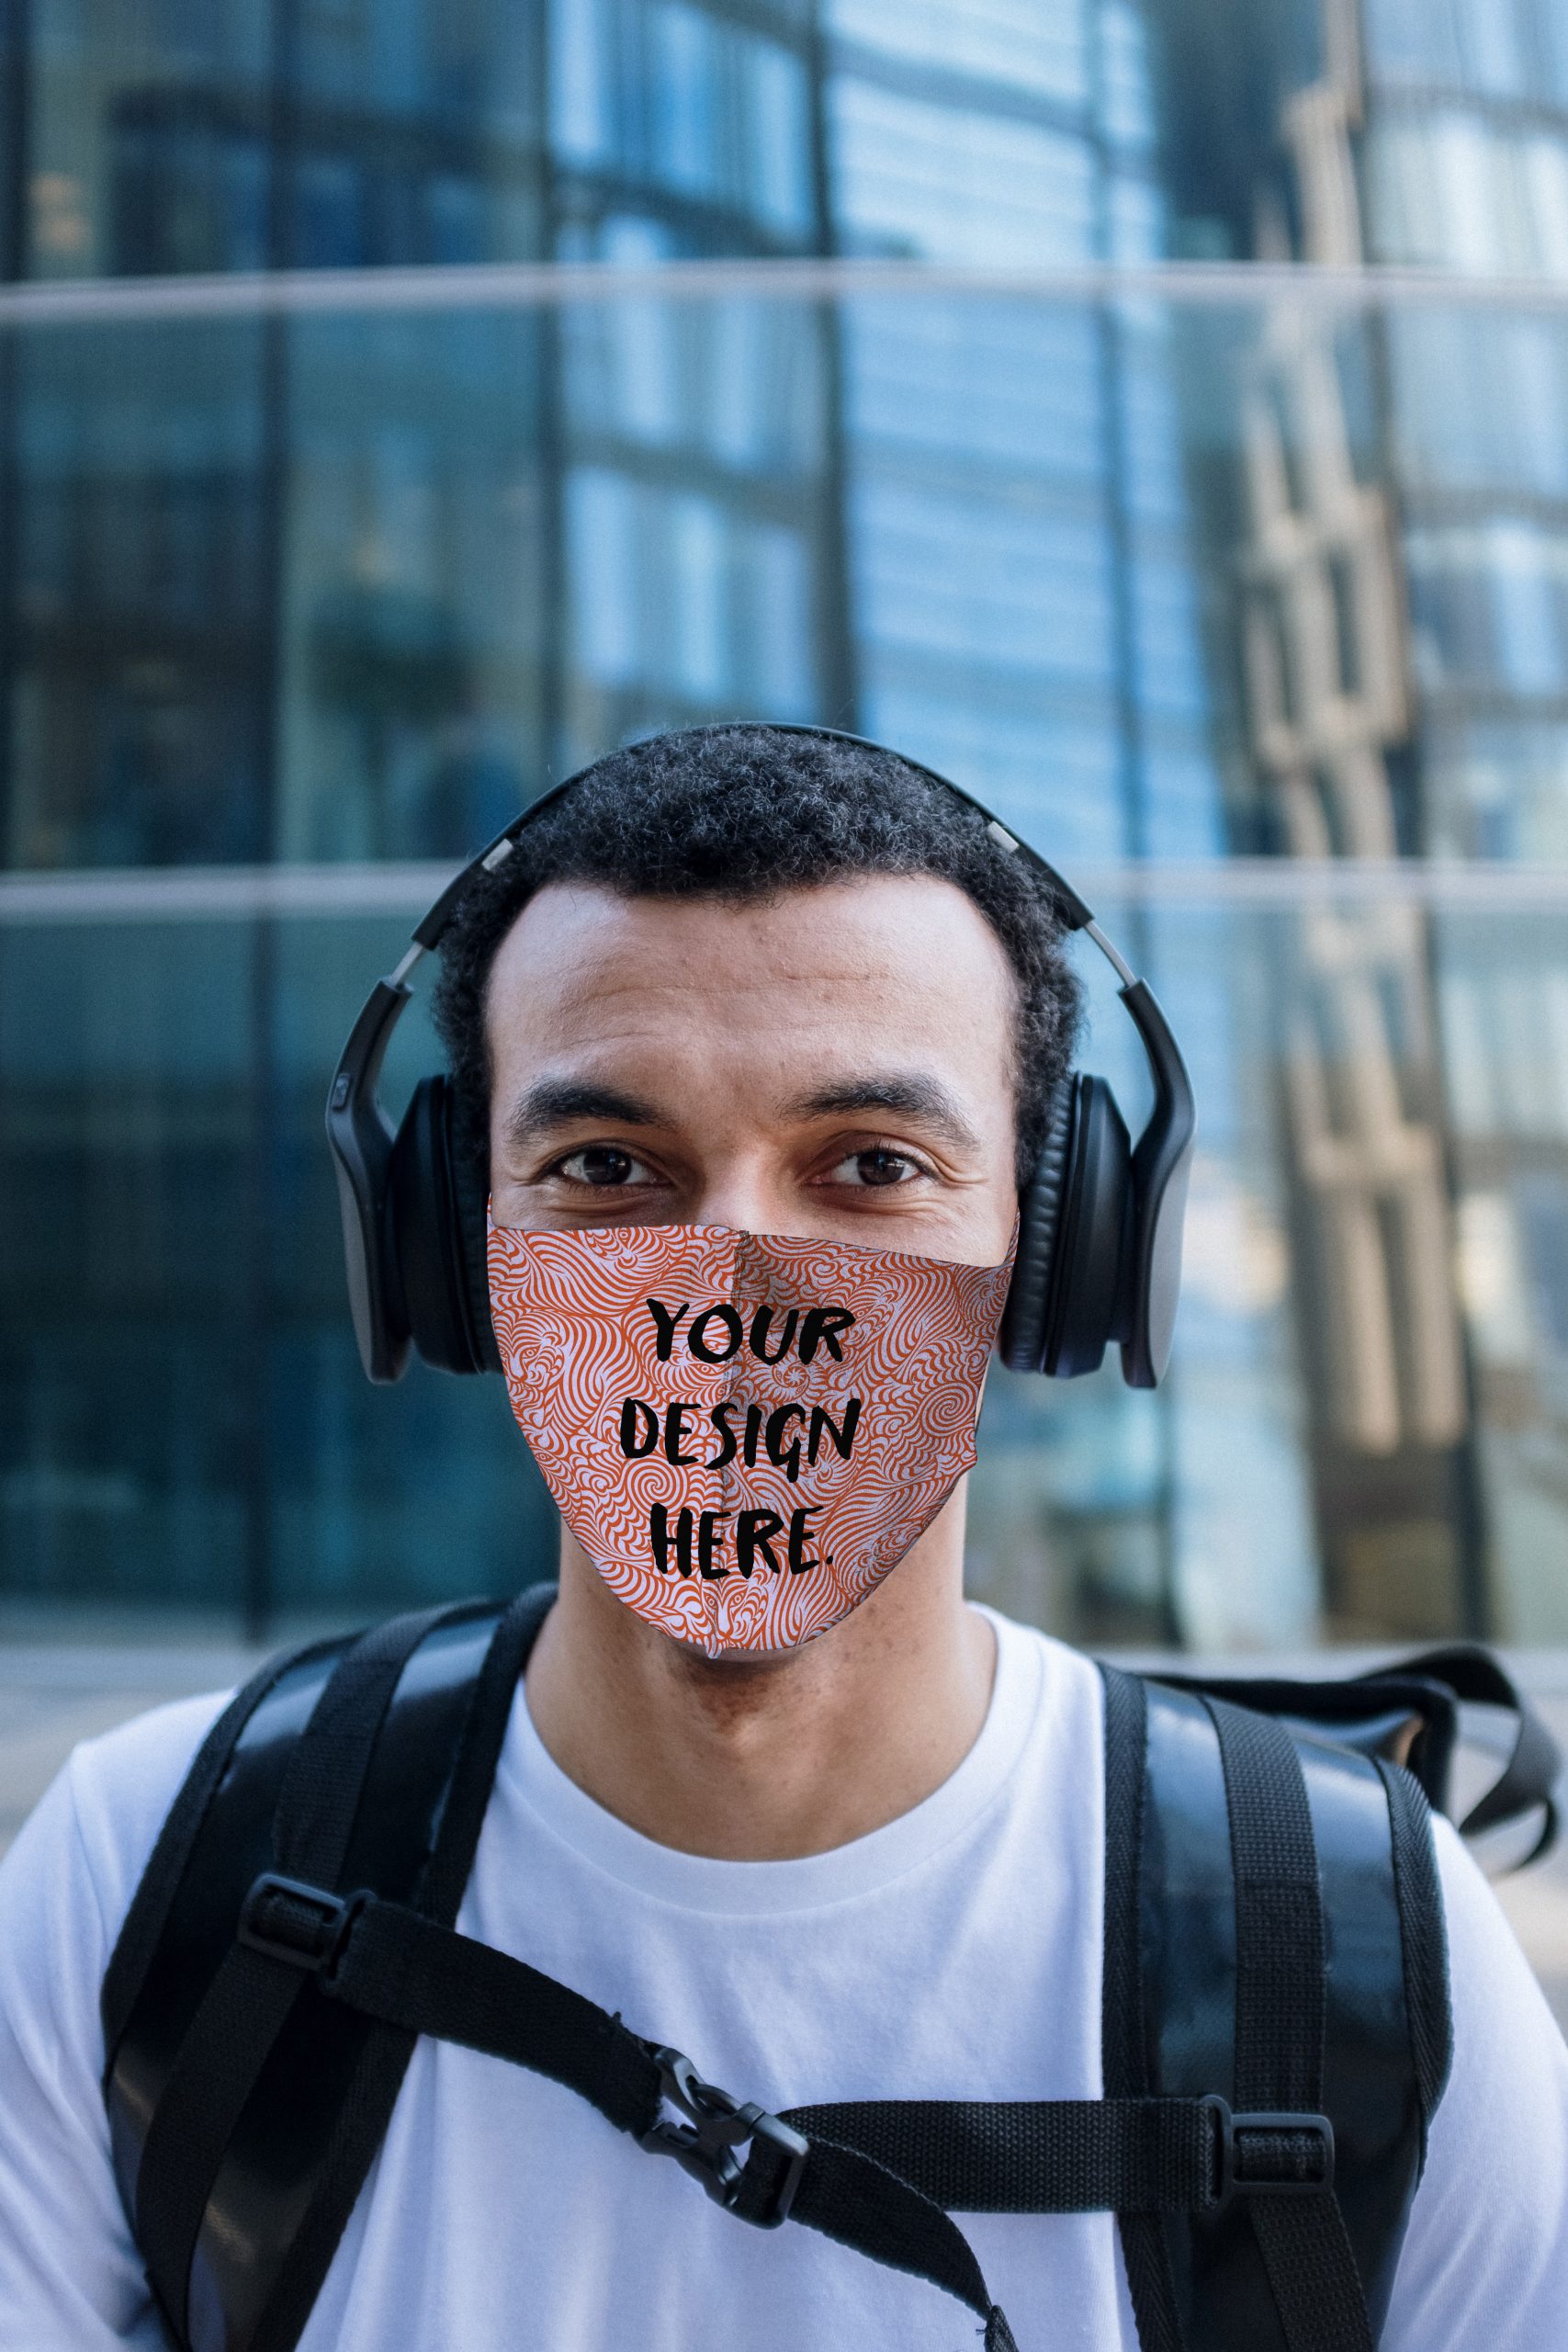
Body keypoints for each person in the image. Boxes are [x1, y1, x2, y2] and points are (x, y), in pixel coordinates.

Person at [1, 725, 1564, 2351]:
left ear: (1066, 1254)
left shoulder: (1370, 1946)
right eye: (608, 1165)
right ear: (449, 1251)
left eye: (873, 1166)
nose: (734, 1278)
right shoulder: (140, 1877)